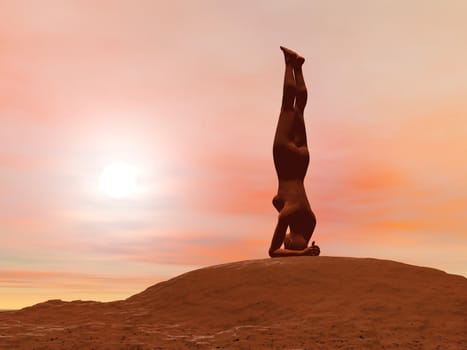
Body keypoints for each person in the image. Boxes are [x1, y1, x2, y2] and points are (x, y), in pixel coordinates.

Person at [268, 46, 320, 257]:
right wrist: (302, 253)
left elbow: (279, 202)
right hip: (285, 159)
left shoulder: (310, 219)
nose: (284, 238)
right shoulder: (288, 215)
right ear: (290, 242)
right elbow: (273, 251)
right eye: (287, 240)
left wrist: (307, 249)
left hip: (302, 162)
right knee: (287, 108)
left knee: (299, 110)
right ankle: (290, 63)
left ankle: (298, 68)